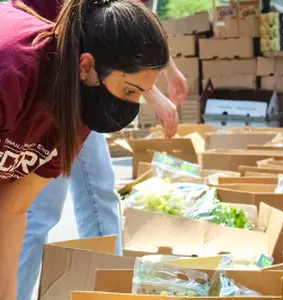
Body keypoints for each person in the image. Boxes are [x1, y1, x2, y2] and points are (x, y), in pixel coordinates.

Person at [0, 0, 178, 297]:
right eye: (128, 90)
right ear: (87, 66)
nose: (130, 106)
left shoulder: (81, 108)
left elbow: (12, 210)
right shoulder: (12, 73)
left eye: (141, 95)